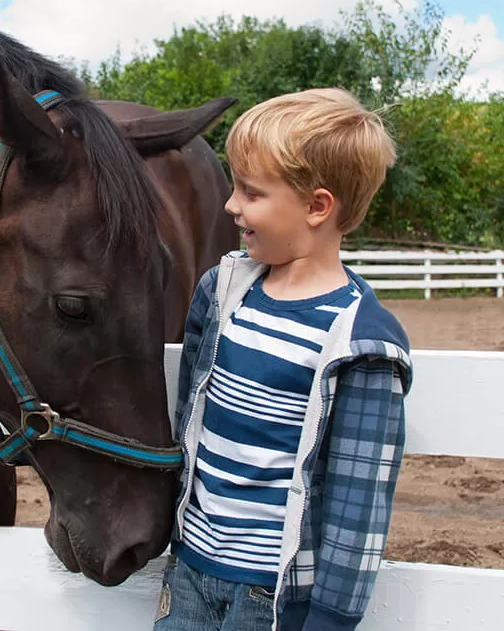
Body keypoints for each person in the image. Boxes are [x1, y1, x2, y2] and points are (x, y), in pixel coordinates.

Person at [154, 88, 413, 631]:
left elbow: (358, 501)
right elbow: (188, 417)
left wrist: (330, 620)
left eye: (251, 192)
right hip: (190, 569)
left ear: (318, 207)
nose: (231, 205)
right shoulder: (222, 291)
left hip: (267, 596)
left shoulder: (359, 340)